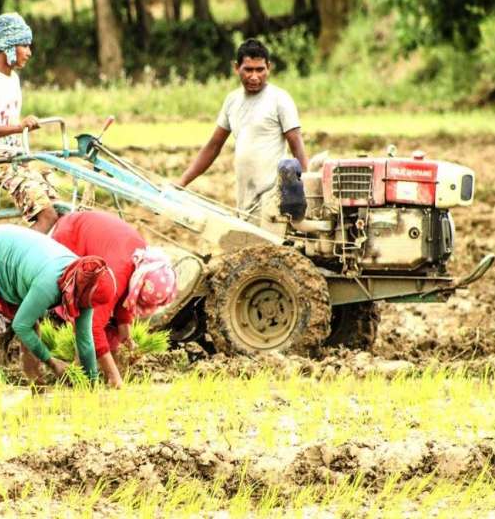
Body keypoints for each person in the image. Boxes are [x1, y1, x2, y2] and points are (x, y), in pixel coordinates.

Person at [0, 224, 116, 398]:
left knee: (33, 334)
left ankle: (38, 395)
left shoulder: (84, 283)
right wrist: (52, 363)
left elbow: (85, 340)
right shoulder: (51, 283)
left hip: (11, 269)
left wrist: (91, 387)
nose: (87, 308)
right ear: (82, 290)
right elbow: (20, 326)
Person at [179, 38, 309, 218]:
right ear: (236, 67)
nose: (254, 76)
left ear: (269, 67)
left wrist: (307, 190)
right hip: (244, 202)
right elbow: (213, 146)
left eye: (260, 70)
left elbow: (297, 145)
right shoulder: (232, 101)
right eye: (248, 70)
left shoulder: (279, 99)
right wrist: (182, 182)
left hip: (272, 200)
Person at [51, 211, 178, 388]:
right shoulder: (116, 274)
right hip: (71, 236)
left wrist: (125, 332)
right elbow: (91, 326)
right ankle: (78, 371)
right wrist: (114, 375)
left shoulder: (143, 261)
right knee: (81, 312)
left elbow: (125, 295)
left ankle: (86, 369)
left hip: (96, 239)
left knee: (107, 330)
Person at [0, 12, 59, 233]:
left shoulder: (13, 78)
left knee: (60, 208)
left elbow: (6, 118)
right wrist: (19, 127)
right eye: (24, 46)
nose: (29, 52)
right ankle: (21, 261)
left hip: (17, 158)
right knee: (48, 216)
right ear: (8, 47)